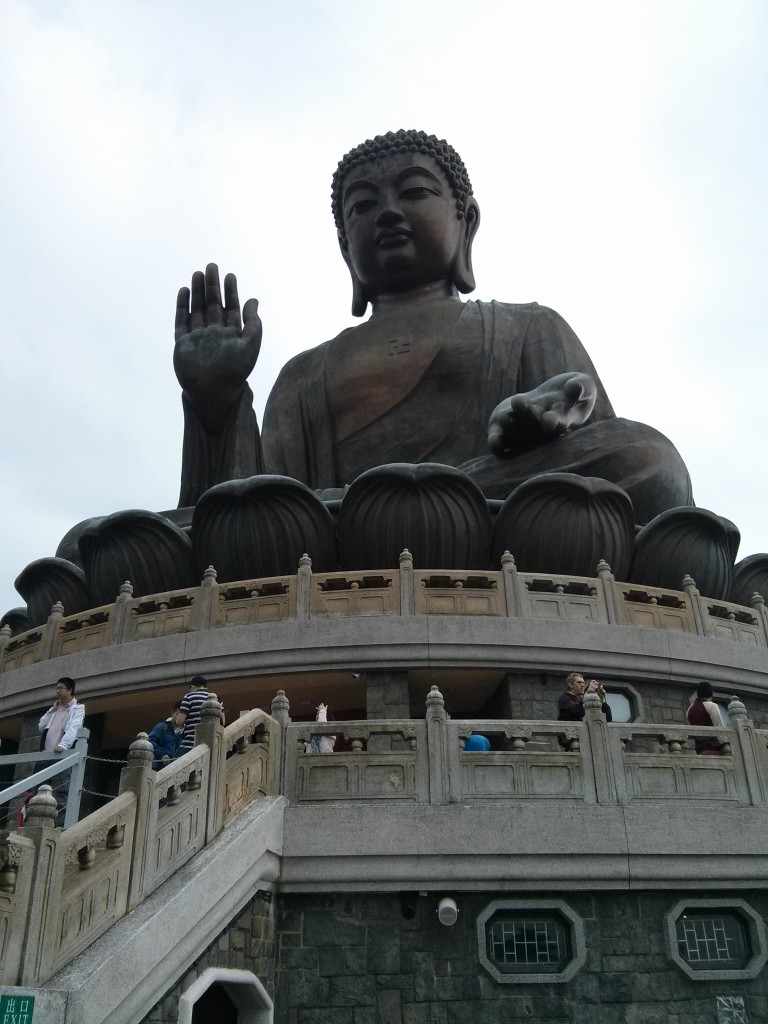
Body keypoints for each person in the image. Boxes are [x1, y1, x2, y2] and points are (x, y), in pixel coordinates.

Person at [174, 130, 692, 525]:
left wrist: (544, 421)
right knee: (97, 538)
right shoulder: (303, 376)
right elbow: (242, 510)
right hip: (345, 538)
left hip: (480, 517)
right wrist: (213, 402)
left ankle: (401, 504)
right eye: (363, 206)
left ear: (465, 222)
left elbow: (602, 447)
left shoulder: (527, 327)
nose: (388, 214)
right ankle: (411, 504)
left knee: (651, 460)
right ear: (343, 246)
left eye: (415, 192)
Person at [37, 677, 86, 824]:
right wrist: (51, 711)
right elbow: (40, 726)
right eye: (57, 688)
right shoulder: (55, 708)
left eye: (61, 688)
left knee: (61, 791)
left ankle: (58, 824)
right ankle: (34, 820)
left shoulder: (77, 707)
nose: (57, 691)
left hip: (62, 754)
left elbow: (74, 728)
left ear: (70, 690)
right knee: (38, 789)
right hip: (45, 754)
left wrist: (64, 745)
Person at [177, 676, 224, 755]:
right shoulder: (216, 700)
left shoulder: (189, 697)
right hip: (209, 745)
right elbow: (223, 723)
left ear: (192, 687)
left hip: (189, 744)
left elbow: (179, 721)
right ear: (205, 687)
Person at [686, 682, 725, 755]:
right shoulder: (712, 706)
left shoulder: (689, 710)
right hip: (713, 750)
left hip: (699, 751)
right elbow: (720, 729)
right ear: (711, 693)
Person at [148, 702, 185, 768]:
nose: (180, 718)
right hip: (160, 767)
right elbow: (150, 740)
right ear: (172, 713)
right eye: (177, 714)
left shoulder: (186, 731)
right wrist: (161, 754)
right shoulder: (163, 726)